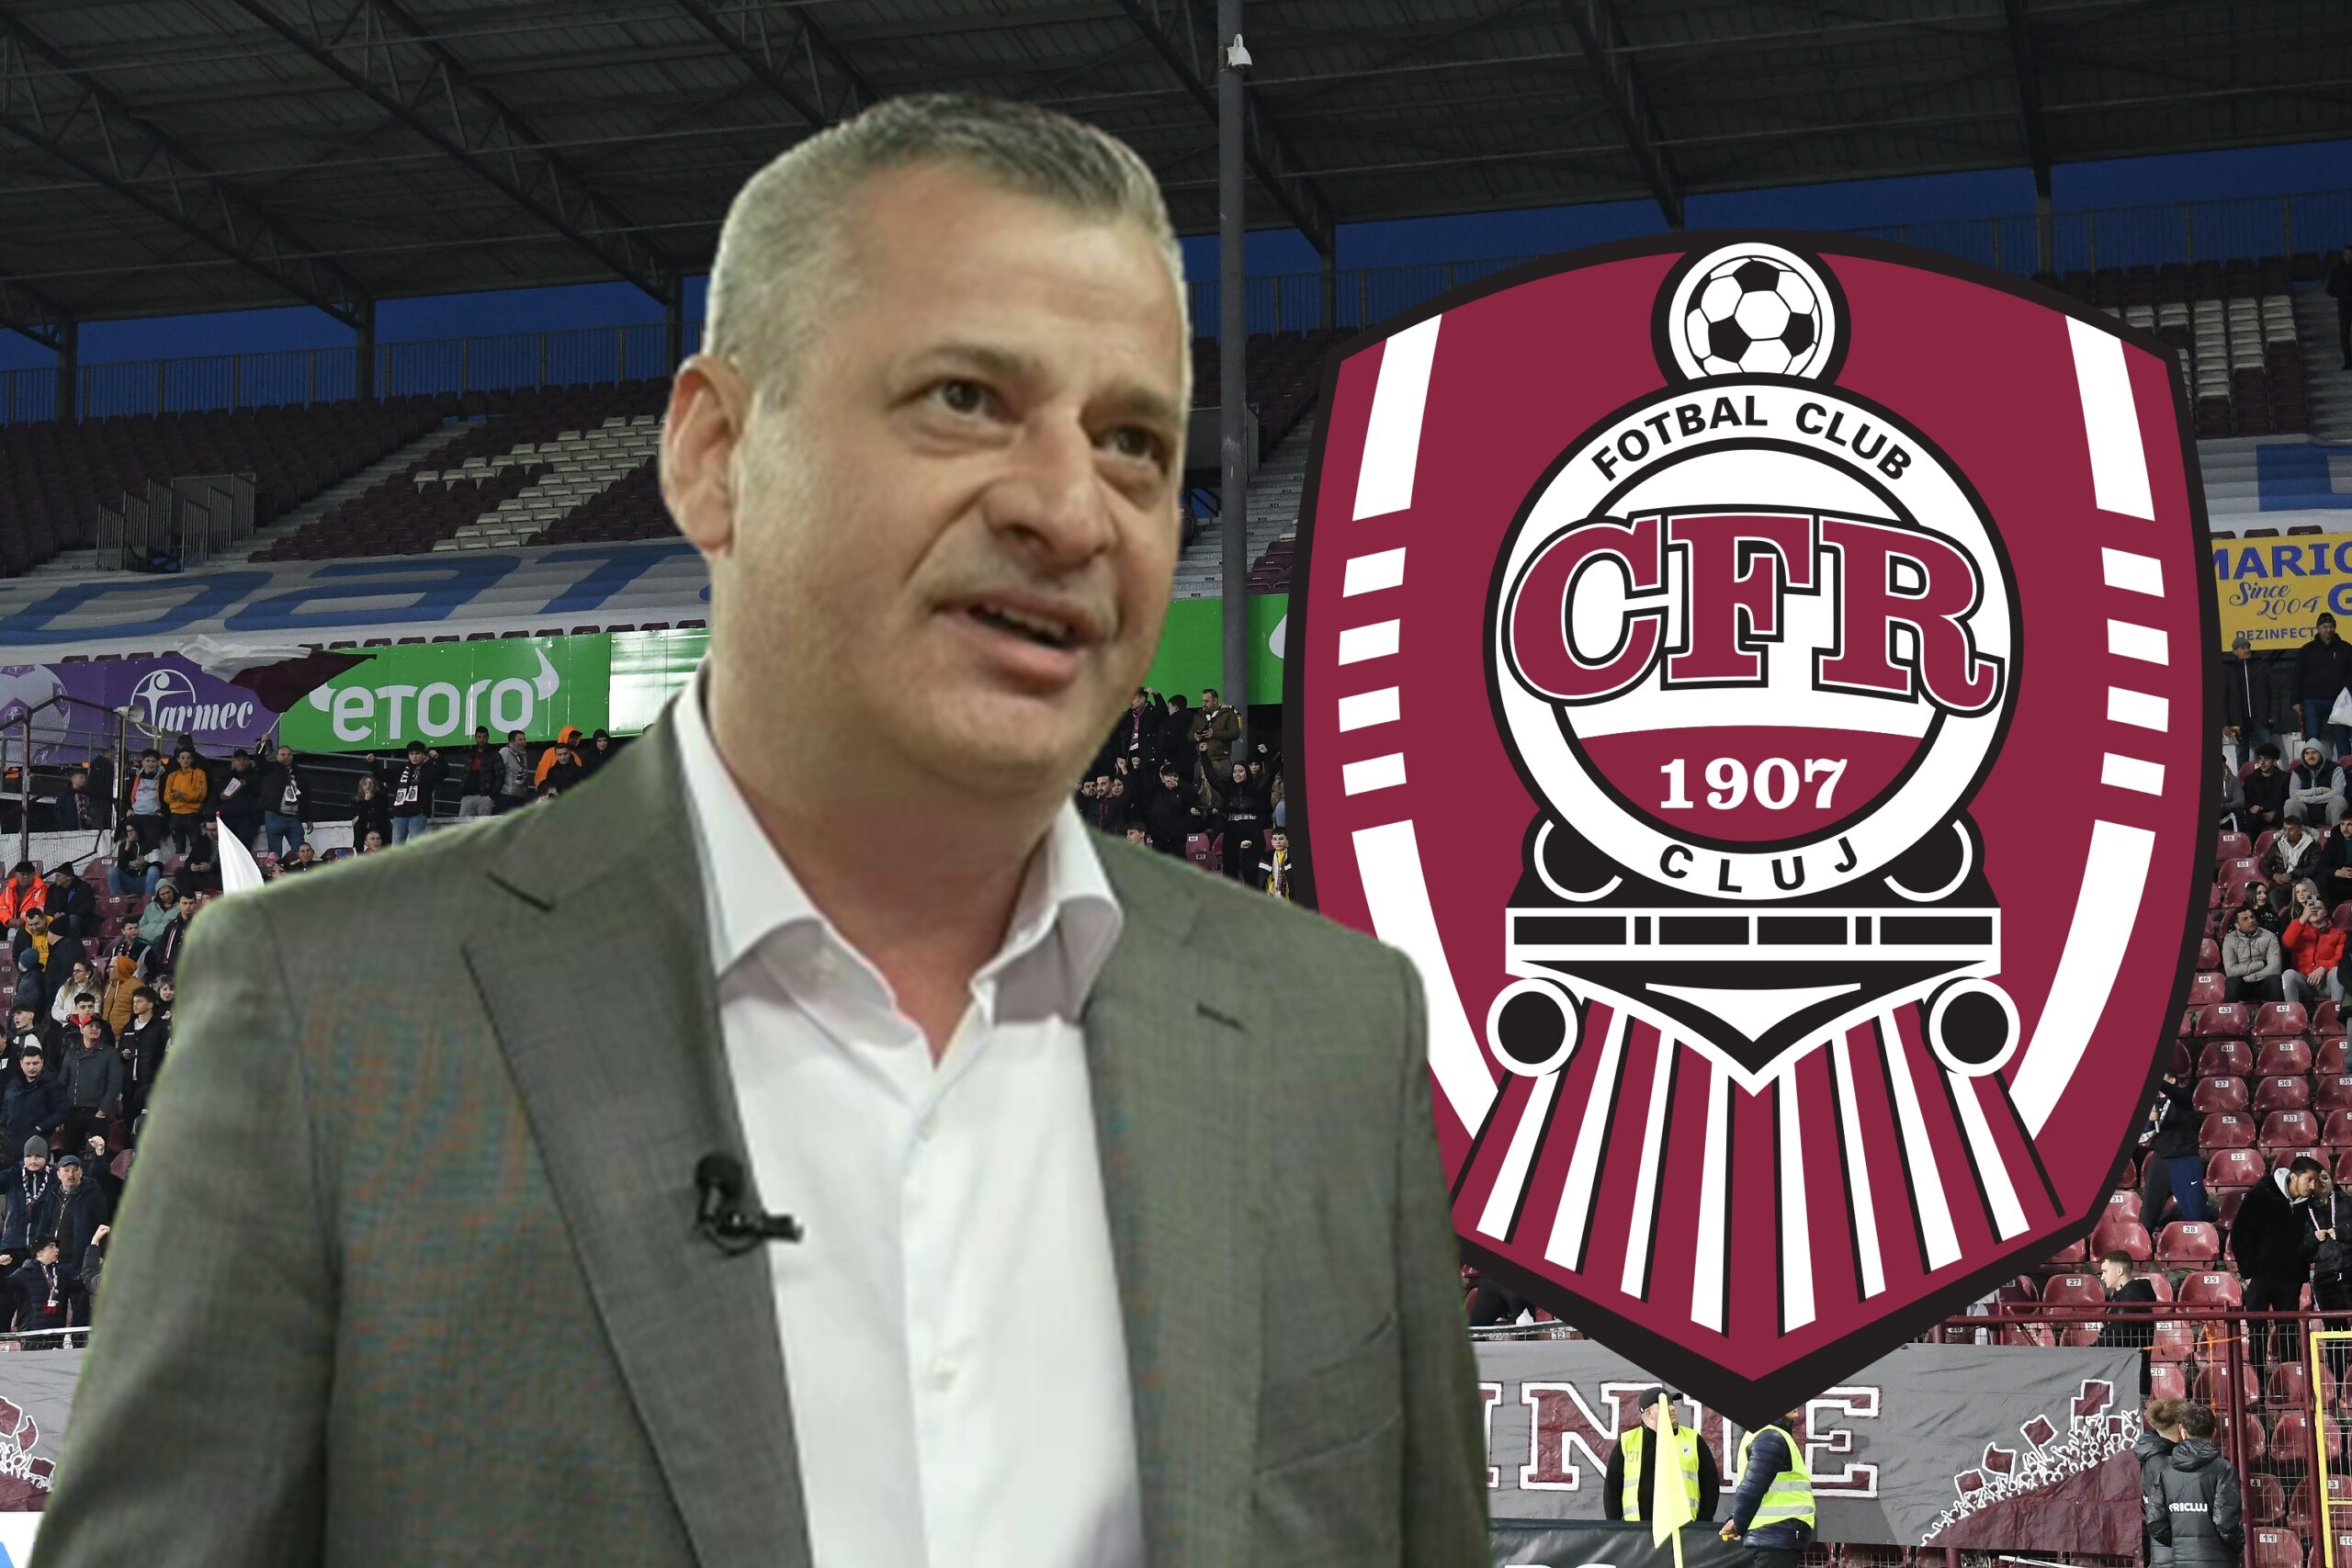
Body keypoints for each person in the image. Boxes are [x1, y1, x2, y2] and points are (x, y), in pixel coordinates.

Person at [43, 95, 1487, 1568]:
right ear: (714, 452)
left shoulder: (1333, 1034)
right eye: (964, 397)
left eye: (1135, 442)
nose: (1071, 509)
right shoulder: (330, 1012)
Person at [2229, 1152, 2326, 1382]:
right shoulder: (2262, 1194)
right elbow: (2240, 1234)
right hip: (2260, 1277)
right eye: (2308, 1180)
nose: (2312, 1186)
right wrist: (2249, 1274)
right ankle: (2258, 1383)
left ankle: (2290, 1382)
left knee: (2289, 1332)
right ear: (2293, 1177)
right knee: (2257, 1332)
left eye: (2315, 1181)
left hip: (2290, 1280)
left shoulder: (2309, 1205)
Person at [2143, 1404, 2244, 1568]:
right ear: (2214, 1433)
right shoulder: (2223, 1469)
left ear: (2182, 1431)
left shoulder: (2166, 1471)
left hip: (2181, 1559)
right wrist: (2238, 1544)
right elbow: (2226, 1520)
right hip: (2220, 1559)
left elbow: (2155, 1521)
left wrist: (2180, 1543)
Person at [1601, 1386, 1719, 1524]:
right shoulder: (1627, 1442)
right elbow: (1612, 1489)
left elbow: (1710, 1482)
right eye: (1665, 1404)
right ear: (1649, 1413)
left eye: (1672, 1403)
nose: (1673, 1408)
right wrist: (1616, 1529)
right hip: (1637, 1532)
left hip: (1684, 1530)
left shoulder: (1692, 1439)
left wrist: (1703, 1521)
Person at [1720, 1409, 1813, 1568]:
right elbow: (1751, 1489)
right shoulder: (1770, 1436)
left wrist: (1737, 1520)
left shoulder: (1769, 1435)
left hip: (1774, 1536)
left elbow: (1753, 1487)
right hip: (1775, 1537)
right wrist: (1738, 1523)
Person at [2308, 1170, 2352, 1388]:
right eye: (2316, 1180)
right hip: (2325, 1278)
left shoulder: (2348, 1203)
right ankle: (2339, 1386)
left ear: (2333, 1179)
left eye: (2325, 1178)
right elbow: (2301, 1246)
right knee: (2334, 1333)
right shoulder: (2306, 1209)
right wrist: (2311, 1239)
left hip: (2350, 1272)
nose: (2321, 1183)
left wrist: (2343, 1233)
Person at [2096, 1249, 2160, 1396]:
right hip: (2129, 1376)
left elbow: (2117, 1337)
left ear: (2119, 1271)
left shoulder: (2130, 1298)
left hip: (2129, 1380)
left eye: (2105, 1271)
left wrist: (2091, 1351)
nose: (2102, 1277)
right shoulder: (2126, 1297)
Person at [57, 1017, 119, 1156]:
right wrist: (62, 1111)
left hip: (97, 1113)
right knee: (69, 1155)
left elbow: (114, 1084)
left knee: (100, 1155)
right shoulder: (71, 1053)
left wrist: (102, 1110)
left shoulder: (110, 1053)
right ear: (81, 1029)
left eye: (98, 1026)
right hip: (73, 1112)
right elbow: (62, 1083)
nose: (95, 1029)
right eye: (90, 1026)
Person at [12, 908, 86, 1019]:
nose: (34, 927)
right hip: (34, 975)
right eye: (31, 925)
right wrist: (24, 971)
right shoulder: (23, 932)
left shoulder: (56, 928)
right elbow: (16, 954)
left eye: (37, 923)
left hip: (51, 977)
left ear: (44, 918)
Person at [2301, 615, 2352, 761]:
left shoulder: (2345, 648)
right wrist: (2295, 701)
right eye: (2325, 627)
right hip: (2312, 700)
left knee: (2342, 737)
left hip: (2339, 701)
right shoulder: (2307, 650)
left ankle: (2347, 768)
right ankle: (2312, 768)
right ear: (2318, 628)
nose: (2328, 630)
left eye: (2331, 627)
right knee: (2312, 738)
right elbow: (2298, 676)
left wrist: (2347, 687)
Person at [379, 742, 443, 847]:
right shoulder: (402, 769)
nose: (414, 756)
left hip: (418, 814)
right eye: (411, 754)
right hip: (400, 814)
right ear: (408, 755)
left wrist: (439, 759)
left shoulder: (429, 769)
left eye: (417, 753)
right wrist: (372, 763)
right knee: (396, 848)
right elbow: (383, 774)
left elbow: (443, 773)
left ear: (423, 754)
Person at [2284, 897, 2347, 1004]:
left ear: (2325, 912)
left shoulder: (2338, 934)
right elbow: (2287, 943)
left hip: (2326, 983)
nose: (2314, 911)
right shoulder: (2299, 930)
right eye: (2311, 909)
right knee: (2288, 974)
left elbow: (2339, 958)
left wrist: (2323, 968)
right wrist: (2302, 919)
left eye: (2318, 908)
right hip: (2304, 981)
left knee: (2337, 971)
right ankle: (2293, 1012)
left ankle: (2336, 1011)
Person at [256, 745, 314, 861]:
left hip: (294, 817)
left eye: (289, 754)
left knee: (300, 851)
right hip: (274, 816)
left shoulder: (298, 771)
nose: (286, 757)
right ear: (277, 756)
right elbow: (259, 761)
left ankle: (300, 870)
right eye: (283, 754)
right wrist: (262, 744)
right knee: (275, 854)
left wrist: (308, 818)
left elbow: (306, 796)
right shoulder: (270, 768)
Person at [2220, 905, 2284, 1003]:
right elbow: (2231, 971)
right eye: (2245, 919)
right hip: (2242, 985)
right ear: (2237, 925)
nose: (2251, 921)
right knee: (2232, 982)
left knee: (2275, 980)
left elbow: (2275, 968)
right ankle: (2231, 1012)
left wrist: (2251, 977)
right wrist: (2261, 964)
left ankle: (2276, 1012)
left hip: (2263, 982)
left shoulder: (2269, 937)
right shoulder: (2230, 940)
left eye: (2252, 917)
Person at [7, 1235, 66, 1337]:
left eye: (56, 1246)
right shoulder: (25, 1273)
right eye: (51, 1246)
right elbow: (4, 1285)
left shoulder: (60, 1273)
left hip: (56, 1334)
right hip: (32, 1334)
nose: (57, 1250)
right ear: (39, 1252)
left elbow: (79, 1286)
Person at [210, 749, 264, 852]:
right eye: (239, 760)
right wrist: (221, 796)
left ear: (248, 761)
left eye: (244, 759)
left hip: (247, 817)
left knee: (244, 847)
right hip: (227, 816)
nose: (241, 762)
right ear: (234, 762)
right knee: (227, 848)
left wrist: (247, 784)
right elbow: (217, 795)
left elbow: (260, 792)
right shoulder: (227, 776)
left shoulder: (256, 776)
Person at [118, 750, 167, 858]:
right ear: (143, 762)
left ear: (158, 762)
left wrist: (162, 812)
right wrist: (128, 809)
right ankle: (126, 858)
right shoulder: (135, 777)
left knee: (152, 832)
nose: (150, 764)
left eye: (153, 761)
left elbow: (167, 798)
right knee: (128, 831)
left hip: (154, 815)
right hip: (136, 814)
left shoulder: (164, 778)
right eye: (148, 761)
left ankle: (146, 858)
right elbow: (126, 797)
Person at [162, 746, 209, 857]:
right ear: (178, 760)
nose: (185, 760)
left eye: (188, 758)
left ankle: (195, 862)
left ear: (192, 759)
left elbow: (201, 794)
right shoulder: (172, 776)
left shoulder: (199, 773)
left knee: (195, 843)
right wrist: (174, 795)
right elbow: (166, 797)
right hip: (176, 814)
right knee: (179, 846)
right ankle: (180, 864)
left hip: (192, 813)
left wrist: (184, 797)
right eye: (182, 758)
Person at [2289, 744, 2347, 827]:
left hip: (2328, 811)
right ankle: (2293, 834)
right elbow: (2293, 794)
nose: (2310, 756)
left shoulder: (2335, 768)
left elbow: (2338, 793)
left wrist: (2309, 799)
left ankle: (2337, 834)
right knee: (2290, 803)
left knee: (2339, 800)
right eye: (2307, 753)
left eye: (2314, 752)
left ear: (2321, 753)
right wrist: (2320, 790)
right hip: (2306, 813)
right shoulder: (2298, 770)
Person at [2266, 815, 2324, 892]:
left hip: (2305, 884)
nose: (2287, 833)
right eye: (2285, 829)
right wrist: (2274, 875)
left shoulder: (2312, 846)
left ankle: (2312, 900)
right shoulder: (2277, 845)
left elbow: (2314, 868)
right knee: (2273, 895)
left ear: (2300, 830)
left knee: (2313, 897)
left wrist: (2292, 875)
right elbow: (2264, 864)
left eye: (2291, 829)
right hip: (2283, 885)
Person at [42, 863, 96, 944]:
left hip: (81, 920)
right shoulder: (52, 889)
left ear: (69, 877)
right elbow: (48, 907)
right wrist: (54, 913)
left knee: (72, 919)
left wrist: (66, 913)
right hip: (58, 919)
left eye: (58, 876)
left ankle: (72, 943)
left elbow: (86, 908)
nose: (55, 878)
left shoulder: (83, 888)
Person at [456, 728, 501, 819]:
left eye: (484, 737)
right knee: (463, 824)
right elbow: (465, 773)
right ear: (475, 737)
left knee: (481, 825)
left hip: (484, 796)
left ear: (487, 737)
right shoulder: (471, 753)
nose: (481, 740)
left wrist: (492, 794)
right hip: (468, 795)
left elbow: (500, 774)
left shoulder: (493, 754)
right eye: (479, 737)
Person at [347, 773, 391, 851]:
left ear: (374, 785)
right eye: (365, 784)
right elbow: (357, 817)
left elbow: (380, 814)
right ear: (361, 786)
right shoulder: (356, 800)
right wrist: (366, 801)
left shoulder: (380, 797)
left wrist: (363, 814)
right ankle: (359, 852)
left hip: (379, 825)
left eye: (371, 784)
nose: (368, 786)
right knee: (358, 825)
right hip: (364, 827)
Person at [495, 728, 534, 813]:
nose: (523, 742)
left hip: (520, 795)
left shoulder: (523, 754)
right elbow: (497, 771)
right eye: (520, 740)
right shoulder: (505, 751)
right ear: (512, 741)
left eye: (524, 739)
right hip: (506, 794)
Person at [2329, 243, 2352, 371]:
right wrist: (2341, 295)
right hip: (2344, 306)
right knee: (2344, 335)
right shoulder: (2338, 270)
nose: (2348, 256)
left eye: (2350, 254)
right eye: (2346, 254)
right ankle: (2348, 362)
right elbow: (2329, 289)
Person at [1261, 825, 1295, 900]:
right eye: (1275, 839)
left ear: (1288, 841)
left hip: (1290, 898)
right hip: (1270, 896)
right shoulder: (1265, 858)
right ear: (1272, 842)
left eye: (1281, 839)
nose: (1278, 842)